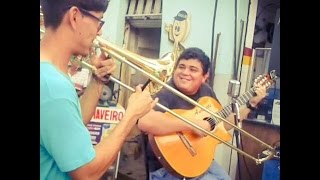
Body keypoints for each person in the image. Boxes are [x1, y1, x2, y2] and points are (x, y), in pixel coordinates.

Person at [40, 0, 159, 179]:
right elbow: (87, 172)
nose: (100, 31)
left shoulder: (49, 76)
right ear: (74, 16)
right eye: (99, 21)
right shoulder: (53, 87)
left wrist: (98, 80)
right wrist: (131, 116)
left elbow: (72, 123)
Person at [138, 47, 267, 180]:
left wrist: (250, 105)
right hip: (167, 168)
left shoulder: (206, 91)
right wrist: (192, 124)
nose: (185, 72)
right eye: (181, 67)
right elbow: (144, 122)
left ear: (205, 77)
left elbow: (222, 125)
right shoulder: (164, 91)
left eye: (193, 69)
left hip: (198, 160)